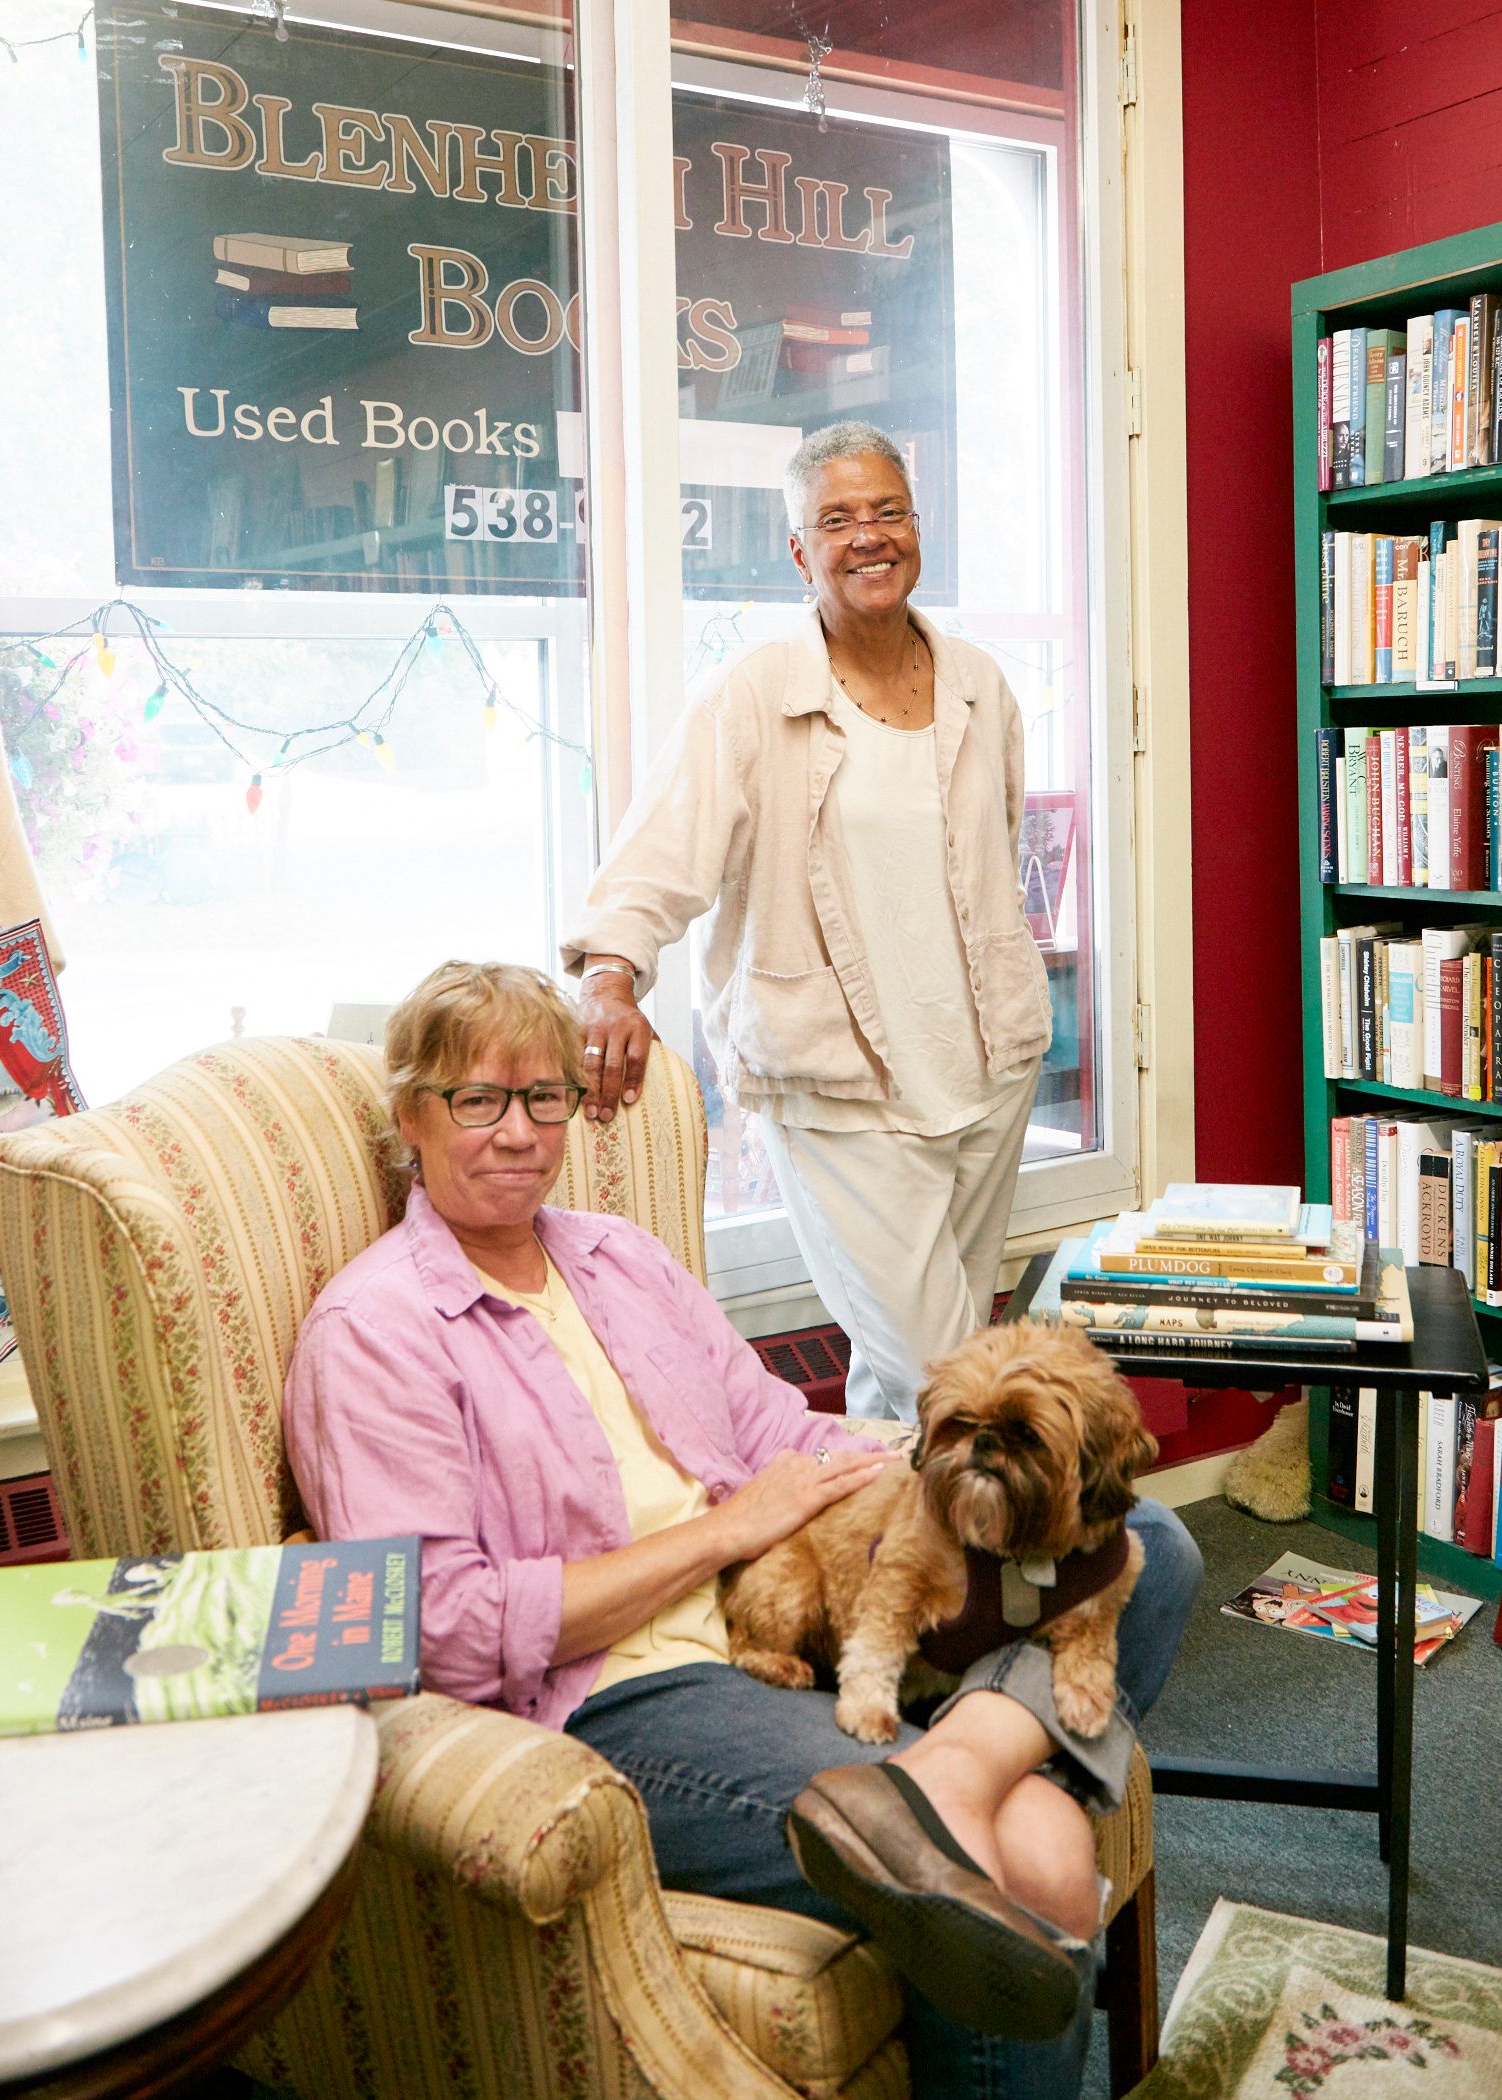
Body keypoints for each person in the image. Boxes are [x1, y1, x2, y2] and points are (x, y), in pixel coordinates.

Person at [283, 961, 1205, 2100]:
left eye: (545, 1097)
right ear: (411, 1116)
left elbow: (776, 1429)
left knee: (1147, 1545)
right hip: (624, 1696)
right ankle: (987, 1794)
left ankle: (958, 1766)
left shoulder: (619, 1259)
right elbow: (446, 1629)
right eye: (478, 1100)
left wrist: (919, 1474)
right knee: (1029, 1857)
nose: (517, 1132)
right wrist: (724, 1541)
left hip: (785, 1602)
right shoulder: (374, 1333)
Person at [563, 420, 1056, 1423]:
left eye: (886, 511)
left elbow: (992, 858)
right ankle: (989, 1573)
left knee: (908, 1367)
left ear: (917, 529)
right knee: (940, 1369)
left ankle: (888, 1571)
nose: (867, 535)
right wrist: (609, 975)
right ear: (800, 550)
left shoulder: (978, 685)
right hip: (836, 1084)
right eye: (836, 519)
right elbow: (660, 850)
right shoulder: (752, 696)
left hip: (984, 1069)